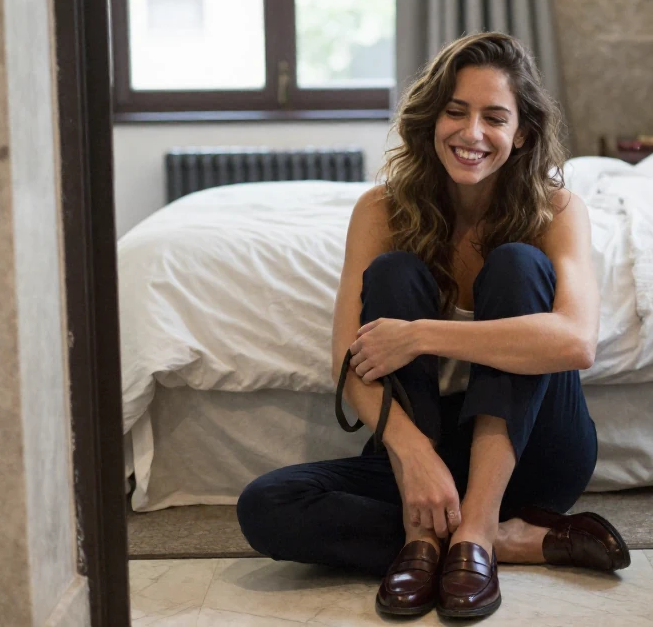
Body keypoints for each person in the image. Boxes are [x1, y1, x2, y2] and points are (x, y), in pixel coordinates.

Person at [237, 32, 629, 619]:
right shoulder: (381, 211)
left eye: (494, 117)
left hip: (537, 453)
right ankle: (489, 539)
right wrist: (413, 454)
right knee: (267, 506)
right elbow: (349, 360)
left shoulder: (557, 210)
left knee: (517, 265)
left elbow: (576, 341)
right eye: (456, 112)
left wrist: (420, 334)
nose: (471, 134)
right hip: (431, 457)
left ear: (520, 133)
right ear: (431, 118)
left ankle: (474, 530)